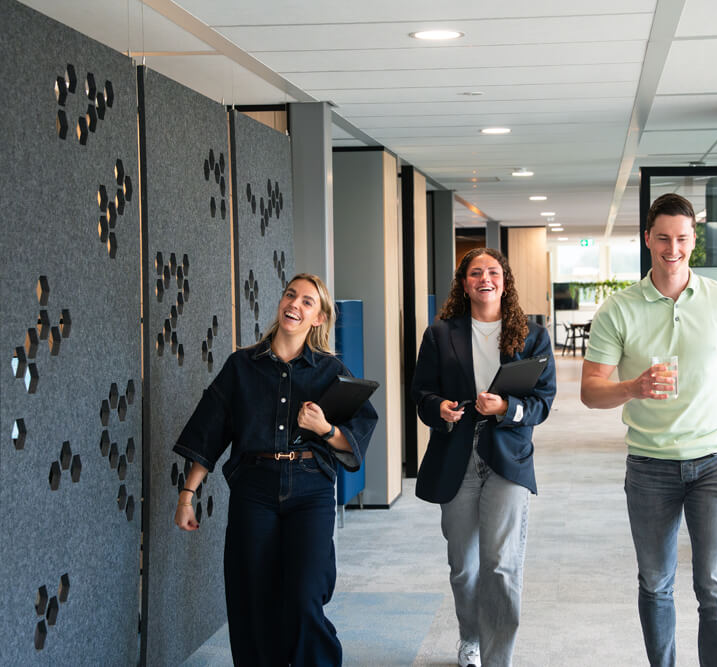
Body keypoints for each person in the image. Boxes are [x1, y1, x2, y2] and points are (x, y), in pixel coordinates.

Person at [580, 193, 717, 667]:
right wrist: (633, 387)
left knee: (716, 586)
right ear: (648, 239)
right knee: (655, 583)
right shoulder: (617, 310)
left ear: (693, 240)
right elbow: (590, 391)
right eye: (664, 238)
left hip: (715, 461)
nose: (674, 249)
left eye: (683, 239)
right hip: (649, 465)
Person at [173, 273, 377, 667]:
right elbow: (210, 430)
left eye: (307, 302)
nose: (295, 305)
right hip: (254, 489)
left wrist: (325, 429)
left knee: (305, 595)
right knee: (252, 598)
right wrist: (187, 495)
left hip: (311, 489)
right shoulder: (241, 366)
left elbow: (357, 432)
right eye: (290, 295)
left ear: (319, 318)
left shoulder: (331, 370)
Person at [412, 248, 556, 667]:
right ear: (464, 283)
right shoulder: (440, 334)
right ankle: (470, 637)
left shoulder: (532, 335)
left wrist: (507, 409)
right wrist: (438, 408)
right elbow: (421, 394)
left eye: (493, 272)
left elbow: (543, 401)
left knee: (501, 565)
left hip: (507, 456)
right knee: (465, 566)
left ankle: (497, 659)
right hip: (456, 455)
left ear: (505, 282)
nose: (485, 279)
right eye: (475, 273)